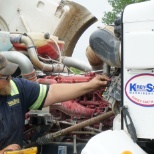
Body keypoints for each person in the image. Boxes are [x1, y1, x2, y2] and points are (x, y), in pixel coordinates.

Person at [0, 53, 110, 154]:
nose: (10, 78)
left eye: (10, 74)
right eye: (5, 76)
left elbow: (52, 92)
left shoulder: (17, 88)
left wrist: (90, 85)